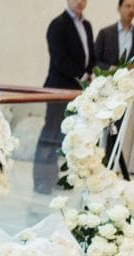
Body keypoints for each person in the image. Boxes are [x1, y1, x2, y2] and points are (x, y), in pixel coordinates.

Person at [34, 0, 93, 194]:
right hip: (58, 90)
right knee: (50, 134)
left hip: (78, 92)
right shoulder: (57, 24)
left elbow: (89, 56)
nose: (80, 1)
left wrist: (91, 74)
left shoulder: (86, 25)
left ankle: (57, 178)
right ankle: (41, 181)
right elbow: (60, 59)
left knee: (66, 137)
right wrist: (83, 76)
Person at [94, 0, 134, 180]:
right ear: (119, 8)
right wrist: (110, 68)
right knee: (99, 130)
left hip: (125, 93)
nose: (131, 10)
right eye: (128, 6)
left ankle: (109, 168)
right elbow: (95, 62)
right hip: (106, 90)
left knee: (116, 131)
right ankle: (95, 167)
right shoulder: (105, 33)